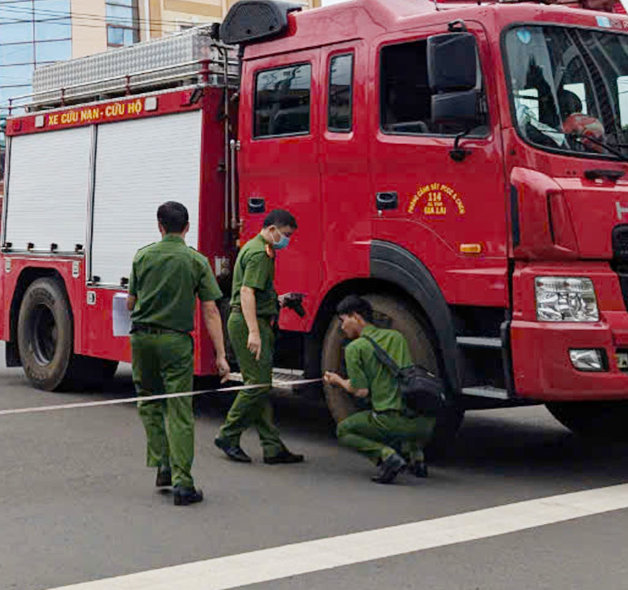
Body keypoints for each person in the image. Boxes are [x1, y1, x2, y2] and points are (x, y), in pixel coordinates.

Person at [125, 201, 229, 507]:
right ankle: (183, 483)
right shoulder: (195, 261)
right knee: (179, 410)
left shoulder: (142, 256)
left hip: (142, 340)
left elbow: (130, 303)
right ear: (186, 227)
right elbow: (210, 310)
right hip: (176, 342)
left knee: (149, 402)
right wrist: (220, 355)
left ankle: (163, 464)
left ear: (159, 226)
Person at [214, 209, 305, 466]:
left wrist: (279, 300)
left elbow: (256, 293)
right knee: (257, 384)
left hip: (249, 319)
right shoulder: (259, 253)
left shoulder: (257, 248)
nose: (286, 240)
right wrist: (254, 332)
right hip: (248, 323)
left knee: (260, 385)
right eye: (286, 235)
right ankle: (228, 435)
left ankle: (272, 446)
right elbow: (246, 292)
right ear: (273, 229)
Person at [323, 296, 436, 484]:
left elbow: (361, 391)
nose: (342, 328)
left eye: (343, 321)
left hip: (391, 421)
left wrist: (339, 381)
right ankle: (417, 459)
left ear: (357, 317)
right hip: (423, 425)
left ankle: (387, 456)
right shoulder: (397, 337)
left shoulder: (354, 348)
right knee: (405, 400)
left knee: (343, 430)